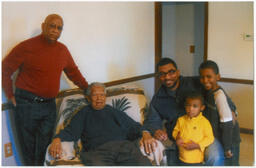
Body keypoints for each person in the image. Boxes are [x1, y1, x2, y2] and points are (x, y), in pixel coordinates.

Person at [2, 14, 88, 166]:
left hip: (49, 106)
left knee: (44, 148)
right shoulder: (26, 46)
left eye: (59, 28)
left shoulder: (62, 50)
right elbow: (5, 67)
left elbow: (73, 72)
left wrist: (88, 89)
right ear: (44, 26)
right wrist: (9, 94)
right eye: (52, 26)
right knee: (28, 149)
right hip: (26, 105)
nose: (55, 30)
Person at [140, 57, 236, 166]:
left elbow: (215, 89)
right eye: (162, 74)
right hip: (180, 137)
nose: (167, 77)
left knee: (215, 157)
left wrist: (231, 108)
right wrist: (154, 130)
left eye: (171, 72)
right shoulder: (158, 98)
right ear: (159, 77)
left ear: (178, 72)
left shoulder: (194, 82)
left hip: (203, 134)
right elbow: (152, 120)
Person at [48, 82, 152, 166]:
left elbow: (133, 126)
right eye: (95, 95)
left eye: (102, 95)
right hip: (97, 152)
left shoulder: (113, 111)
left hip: (123, 148)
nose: (99, 98)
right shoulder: (83, 113)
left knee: (143, 164)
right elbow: (71, 131)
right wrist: (57, 139)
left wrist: (145, 133)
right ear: (88, 98)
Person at [199, 60, 241, 166]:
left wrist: (227, 147)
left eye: (209, 77)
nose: (205, 80)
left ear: (218, 77)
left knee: (231, 164)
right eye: (202, 77)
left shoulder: (219, 95)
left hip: (230, 139)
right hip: (219, 135)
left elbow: (227, 124)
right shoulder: (208, 92)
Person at [172, 91, 214, 166]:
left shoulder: (204, 122)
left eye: (195, 106)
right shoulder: (181, 120)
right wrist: (177, 137)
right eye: (188, 105)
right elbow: (176, 131)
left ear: (202, 108)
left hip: (196, 160)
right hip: (181, 157)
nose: (191, 109)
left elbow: (210, 138)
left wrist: (197, 145)